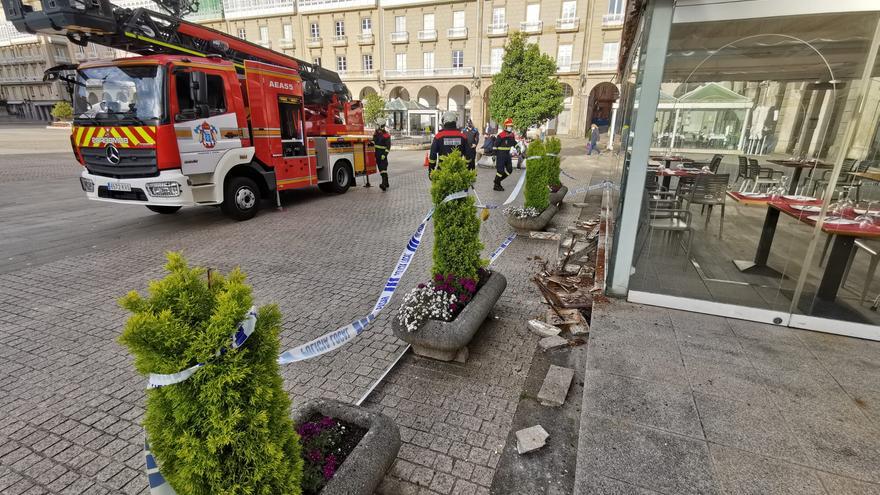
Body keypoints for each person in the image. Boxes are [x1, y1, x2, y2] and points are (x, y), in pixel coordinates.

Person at [428, 111, 467, 177]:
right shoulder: (462, 136)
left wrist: (431, 171)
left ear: (444, 121)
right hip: (458, 173)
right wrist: (468, 171)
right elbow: (469, 156)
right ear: (455, 121)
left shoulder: (438, 136)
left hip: (442, 172)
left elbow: (432, 156)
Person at [493, 117, 517, 191]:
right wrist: (494, 155)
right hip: (500, 155)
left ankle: (497, 181)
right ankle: (496, 185)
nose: (510, 127)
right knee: (500, 171)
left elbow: (514, 143)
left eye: (511, 126)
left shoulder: (512, 135)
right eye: (509, 126)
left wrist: (518, 147)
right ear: (505, 126)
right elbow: (495, 145)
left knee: (509, 170)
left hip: (507, 155)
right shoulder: (501, 135)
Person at [372, 120, 391, 191]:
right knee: (381, 169)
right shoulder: (376, 133)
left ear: (381, 126)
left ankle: (383, 185)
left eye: (377, 125)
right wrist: (371, 142)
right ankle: (386, 183)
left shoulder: (386, 135)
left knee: (383, 169)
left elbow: (388, 147)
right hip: (377, 154)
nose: (376, 126)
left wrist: (384, 154)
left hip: (382, 155)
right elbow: (374, 141)